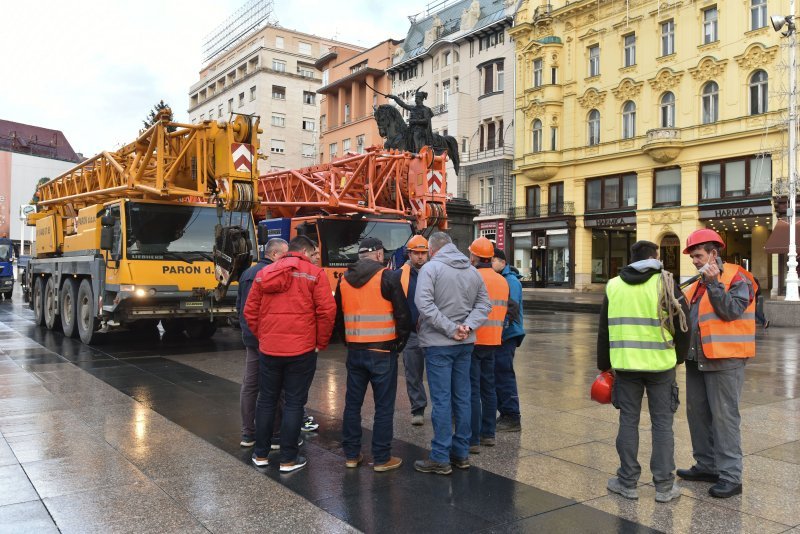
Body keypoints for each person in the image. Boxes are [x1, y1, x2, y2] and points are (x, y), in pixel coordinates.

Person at [597, 240, 690, 503]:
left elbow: (604, 329)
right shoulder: (666, 282)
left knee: (628, 421)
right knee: (662, 424)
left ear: (631, 257)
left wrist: (604, 364)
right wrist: (679, 357)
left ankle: (627, 483)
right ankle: (664, 486)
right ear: (656, 257)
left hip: (626, 365)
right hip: (661, 365)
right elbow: (685, 325)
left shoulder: (614, 285)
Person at [244, 236, 336, 473]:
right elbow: (326, 312)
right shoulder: (314, 274)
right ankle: (288, 458)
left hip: (269, 349)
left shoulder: (265, 273)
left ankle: (260, 454)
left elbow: (250, 311)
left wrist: (263, 336)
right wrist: (320, 343)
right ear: (304, 250)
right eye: (312, 252)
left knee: (266, 400)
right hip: (302, 349)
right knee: (294, 402)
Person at [678, 229, 756, 498]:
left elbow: (732, 311)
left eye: (698, 256)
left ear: (713, 253)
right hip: (696, 360)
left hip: (726, 359)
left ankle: (731, 476)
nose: (695, 261)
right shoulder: (695, 283)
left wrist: (713, 284)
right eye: (692, 257)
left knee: (725, 419)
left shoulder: (738, 277)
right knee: (697, 415)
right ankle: (707, 465)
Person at [413, 232, 491, 474]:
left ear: (433, 250)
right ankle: (461, 453)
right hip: (465, 344)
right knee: (463, 397)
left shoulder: (431, 268)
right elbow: (484, 304)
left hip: (438, 344)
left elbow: (424, 304)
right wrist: (467, 326)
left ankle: (440, 457)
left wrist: (450, 329)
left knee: (442, 400)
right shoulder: (472, 270)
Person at [335, 237, 411, 472]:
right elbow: (403, 316)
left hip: (356, 351)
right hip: (382, 351)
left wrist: (348, 342)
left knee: (352, 405)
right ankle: (381, 458)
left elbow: (338, 317)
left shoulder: (343, 280)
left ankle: (351, 455)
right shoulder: (388, 277)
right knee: (384, 406)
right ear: (379, 255)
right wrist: (399, 343)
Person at [236, 238, 288, 447]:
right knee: (275, 387)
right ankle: (275, 434)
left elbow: (241, 307)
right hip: (268, 338)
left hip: (251, 337)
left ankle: (248, 433)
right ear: (274, 254)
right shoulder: (272, 274)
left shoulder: (246, 274)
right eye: (284, 255)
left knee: (250, 385)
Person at [467, 237, 509, 455]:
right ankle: (489, 434)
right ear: (491, 257)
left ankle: (472, 439)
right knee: (489, 389)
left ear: (474, 256)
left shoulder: (471, 276)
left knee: (473, 390)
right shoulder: (502, 280)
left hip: (473, 340)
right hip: (494, 340)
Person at [491, 248, 525, 432]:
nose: (491, 263)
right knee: (498, 373)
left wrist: (500, 332)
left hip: (507, 335)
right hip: (501, 334)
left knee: (504, 374)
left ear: (503, 263)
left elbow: (510, 309)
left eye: (494, 260)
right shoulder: (501, 279)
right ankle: (505, 413)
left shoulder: (510, 281)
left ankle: (512, 416)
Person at [399, 235, 430, 425]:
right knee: (413, 374)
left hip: (434, 332)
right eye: (416, 253)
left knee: (438, 373)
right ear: (409, 254)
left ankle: (445, 409)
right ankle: (417, 409)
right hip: (411, 333)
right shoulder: (399, 274)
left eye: (423, 253)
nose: (420, 257)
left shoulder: (435, 272)